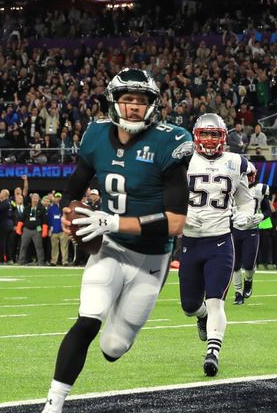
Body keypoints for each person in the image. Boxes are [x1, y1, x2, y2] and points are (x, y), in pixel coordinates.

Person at [42, 68, 192, 413]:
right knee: (88, 319)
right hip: (110, 250)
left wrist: (111, 220)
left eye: (141, 101)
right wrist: (69, 214)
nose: (134, 107)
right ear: (114, 103)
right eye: (128, 100)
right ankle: (53, 404)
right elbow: (75, 185)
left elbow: (175, 222)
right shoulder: (95, 134)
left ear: (152, 106)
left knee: (113, 348)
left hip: (150, 263)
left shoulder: (170, 141)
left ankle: (120, 322)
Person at [179, 113, 252, 377]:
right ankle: (200, 317)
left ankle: (213, 352)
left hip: (220, 241)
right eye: (205, 134)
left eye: (214, 135)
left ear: (223, 137)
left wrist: (244, 214)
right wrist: (180, 214)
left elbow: (245, 198)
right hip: (190, 241)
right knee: (189, 306)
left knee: (216, 302)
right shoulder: (183, 159)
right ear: (196, 136)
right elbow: (166, 194)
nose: (209, 140)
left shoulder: (236, 162)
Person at [231, 162, 271, 305]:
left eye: (249, 175)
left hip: (251, 230)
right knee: (235, 264)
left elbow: (268, 210)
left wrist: (261, 216)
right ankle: (238, 293)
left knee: (248, 264)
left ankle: (248, 281)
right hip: (236, 229)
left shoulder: (260, 190)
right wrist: (232, 216)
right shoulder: (232, 186)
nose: (248, 177)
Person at [48, 192, 69, 265]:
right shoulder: (51, 208)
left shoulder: (65, 208)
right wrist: (50, 229)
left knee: (64, 247)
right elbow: (49, 219)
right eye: (56, 197)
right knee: (54, 247)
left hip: (63, 230)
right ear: (54, 198)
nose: (58, 199)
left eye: (59, 197)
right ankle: (54, 261)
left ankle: (65, 261)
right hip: (54, 230)